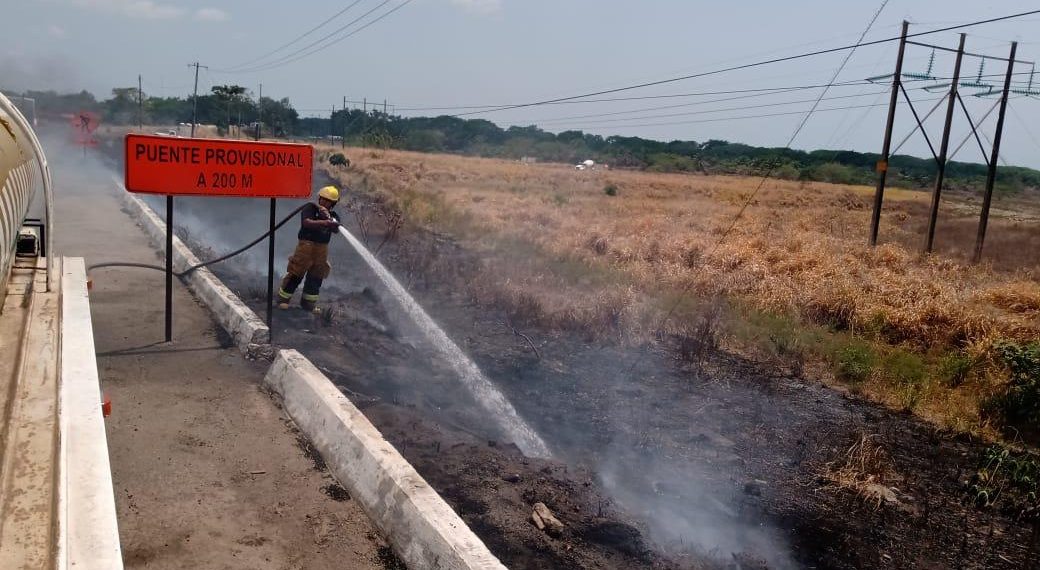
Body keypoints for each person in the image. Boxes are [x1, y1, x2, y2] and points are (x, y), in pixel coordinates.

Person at [278, 185, 341, 313]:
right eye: (323, 199)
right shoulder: (310, 208)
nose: (324, 202)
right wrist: (324, 222)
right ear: (319, 198)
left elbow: (336, 229)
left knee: (316, 276)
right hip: (306, 246)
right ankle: (283, 300)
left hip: (322, 249)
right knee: (297, 272)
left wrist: (330, 220)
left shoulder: (333, 215)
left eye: (328, 201)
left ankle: (308, 304)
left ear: (333, 203)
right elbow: (306, 222)